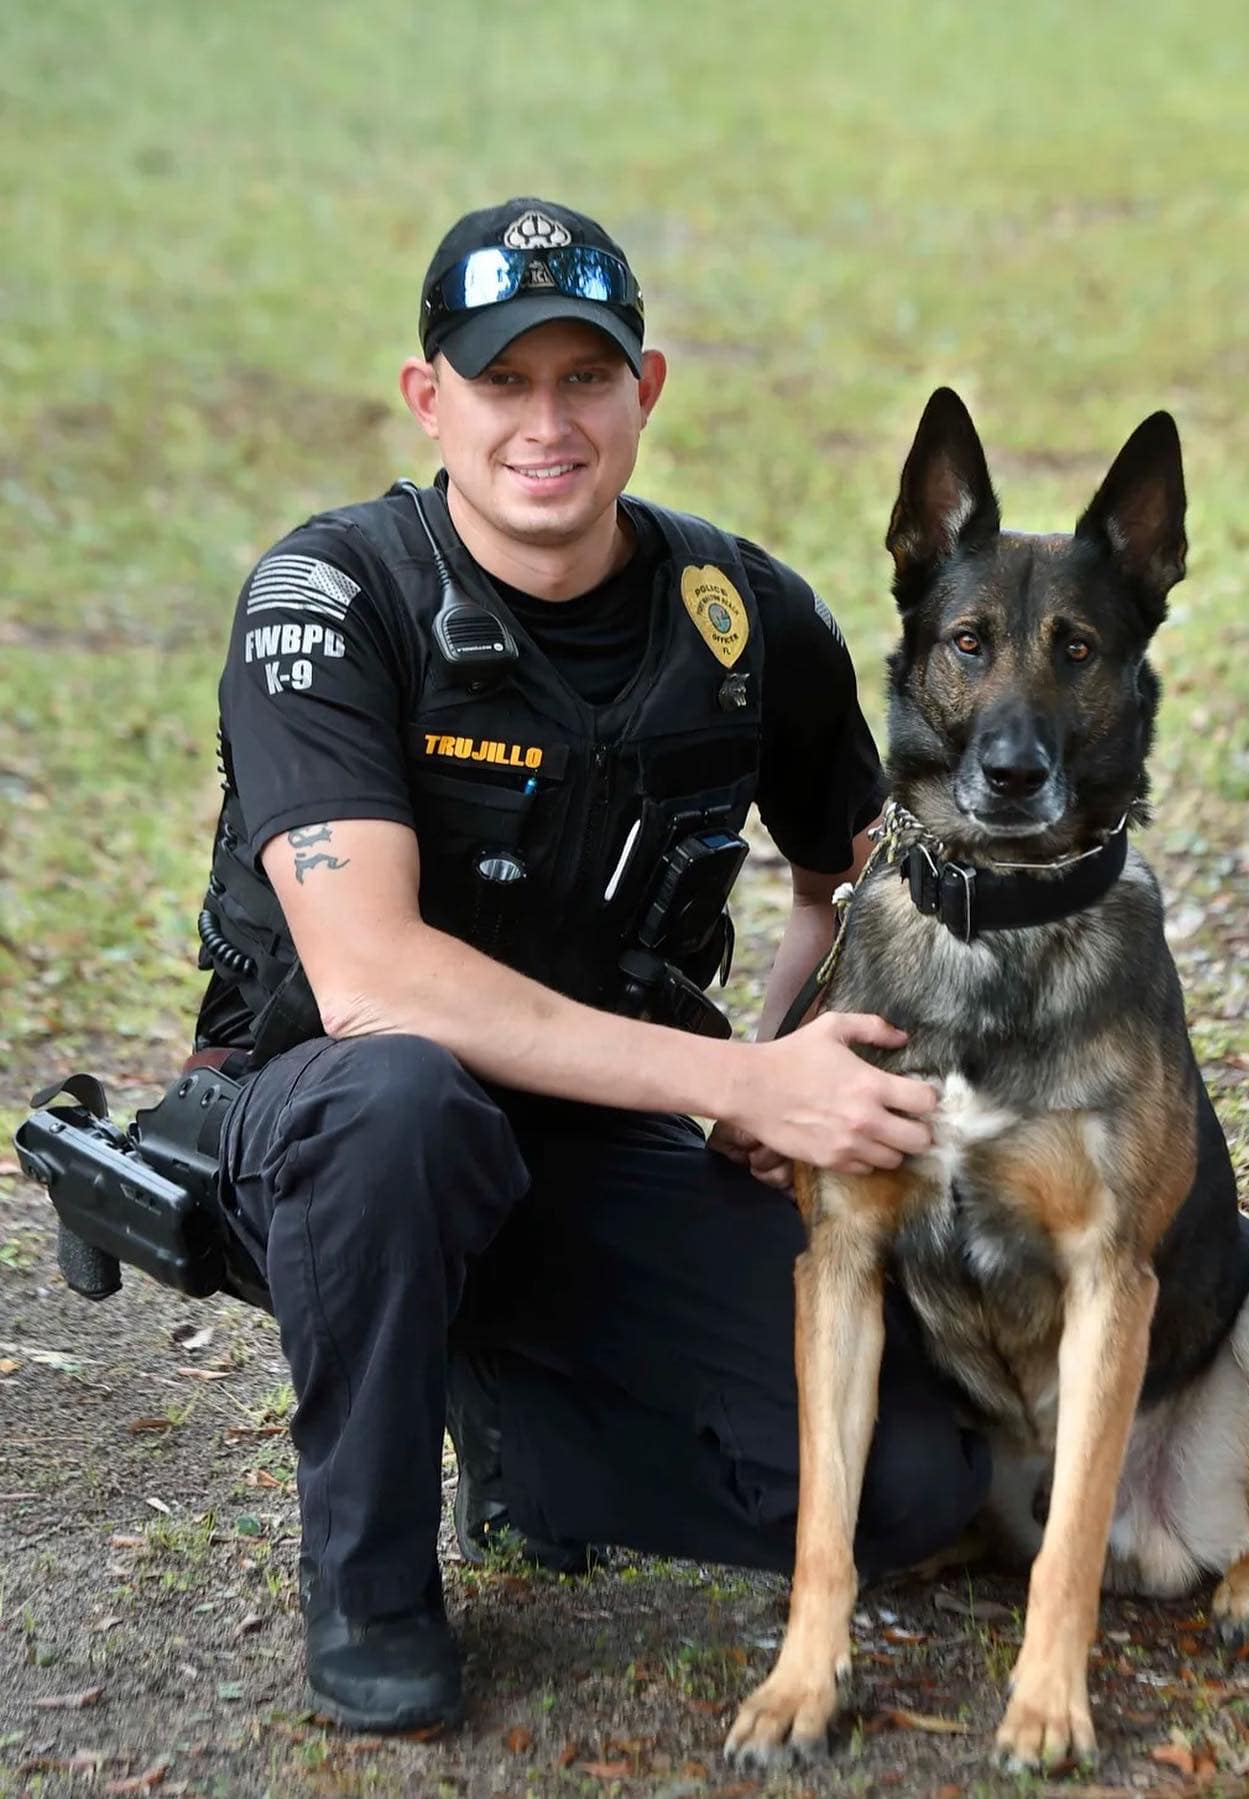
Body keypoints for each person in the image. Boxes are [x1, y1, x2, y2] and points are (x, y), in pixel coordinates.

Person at [194, 197, 990, 1732]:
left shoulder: (742, 618)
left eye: (586, 378)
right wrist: (730, 1074)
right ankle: (368, 1580)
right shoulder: (333, 598)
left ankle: (524, 1421)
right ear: (433, 399)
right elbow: (373, 982)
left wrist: (786, 1067)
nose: (545, 424)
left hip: (597, 1127)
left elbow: (870, 878)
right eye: (503, 382)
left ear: (649, 391)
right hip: (323, 1109)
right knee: (403, 1109)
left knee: (900, 1492)